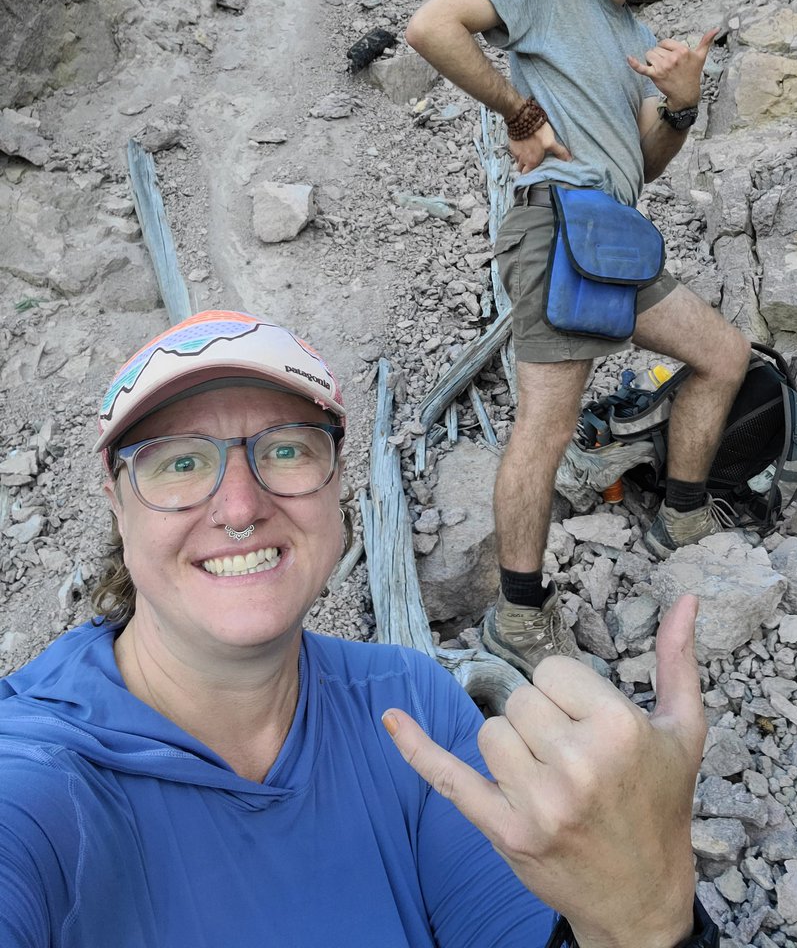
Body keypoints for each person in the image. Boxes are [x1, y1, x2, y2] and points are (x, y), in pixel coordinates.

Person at [0, 309, 718, 948]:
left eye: (285, 449)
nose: (241, 506)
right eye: (180, 464)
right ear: (116, 506)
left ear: (338, 481)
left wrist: (643, 924)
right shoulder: (36, 776)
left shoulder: (408, 708)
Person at [406, 0, 751, 681]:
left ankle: (682, 510)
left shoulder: (635, 28)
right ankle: (518, 619)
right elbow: (431, 25)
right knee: (548, 425)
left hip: (615, 232)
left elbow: (642, 165)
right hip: (557, 227)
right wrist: (520, 114)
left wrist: (678, 105)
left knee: (725, 353)